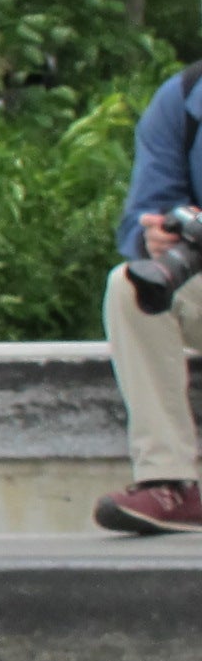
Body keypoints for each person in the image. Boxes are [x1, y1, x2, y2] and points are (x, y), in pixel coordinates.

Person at [97, 51, 202, 532]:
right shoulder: (183, 100)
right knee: (129, 285)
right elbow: (143, 215)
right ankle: (172, 482)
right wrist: (156, 237)